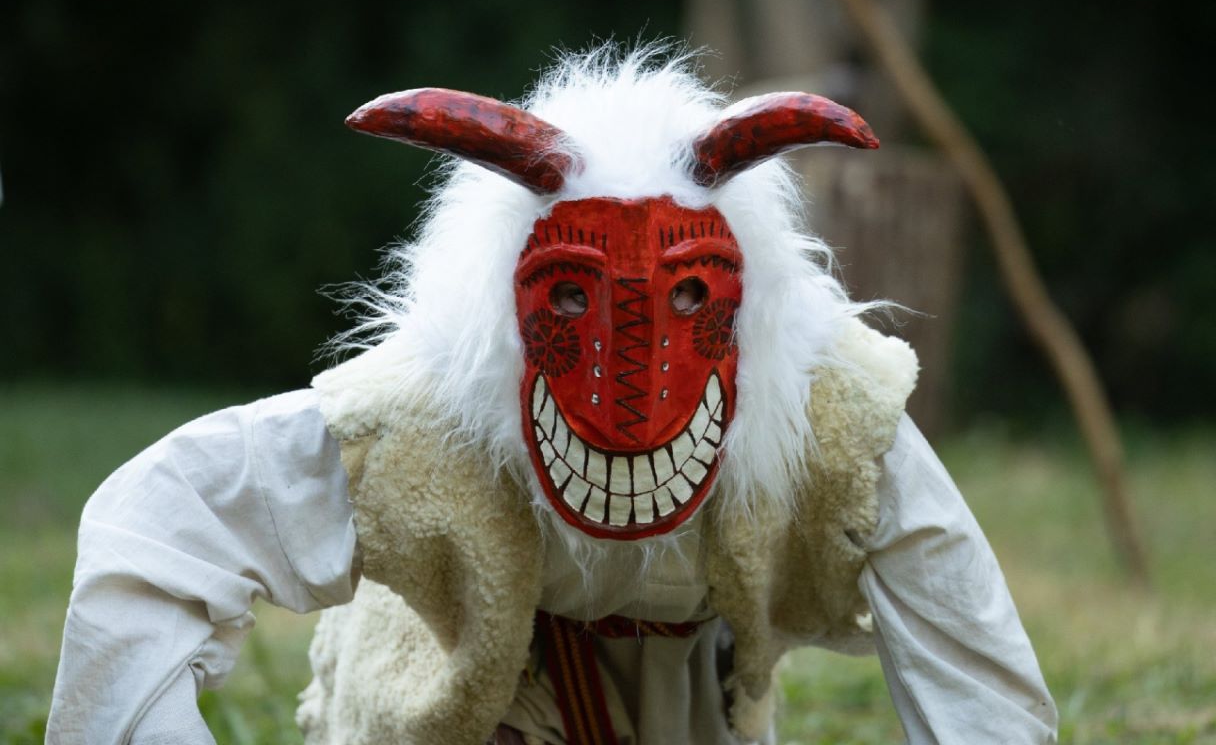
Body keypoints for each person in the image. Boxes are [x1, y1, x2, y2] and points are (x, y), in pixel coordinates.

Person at [48, 47, 1058, 745]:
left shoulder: (825, 419)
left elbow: (966, 641)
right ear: (512, 307)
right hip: (449, 706)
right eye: (570, 297)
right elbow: (159, 522)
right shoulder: (422, 417)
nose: (633, 397)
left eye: (689, 298)